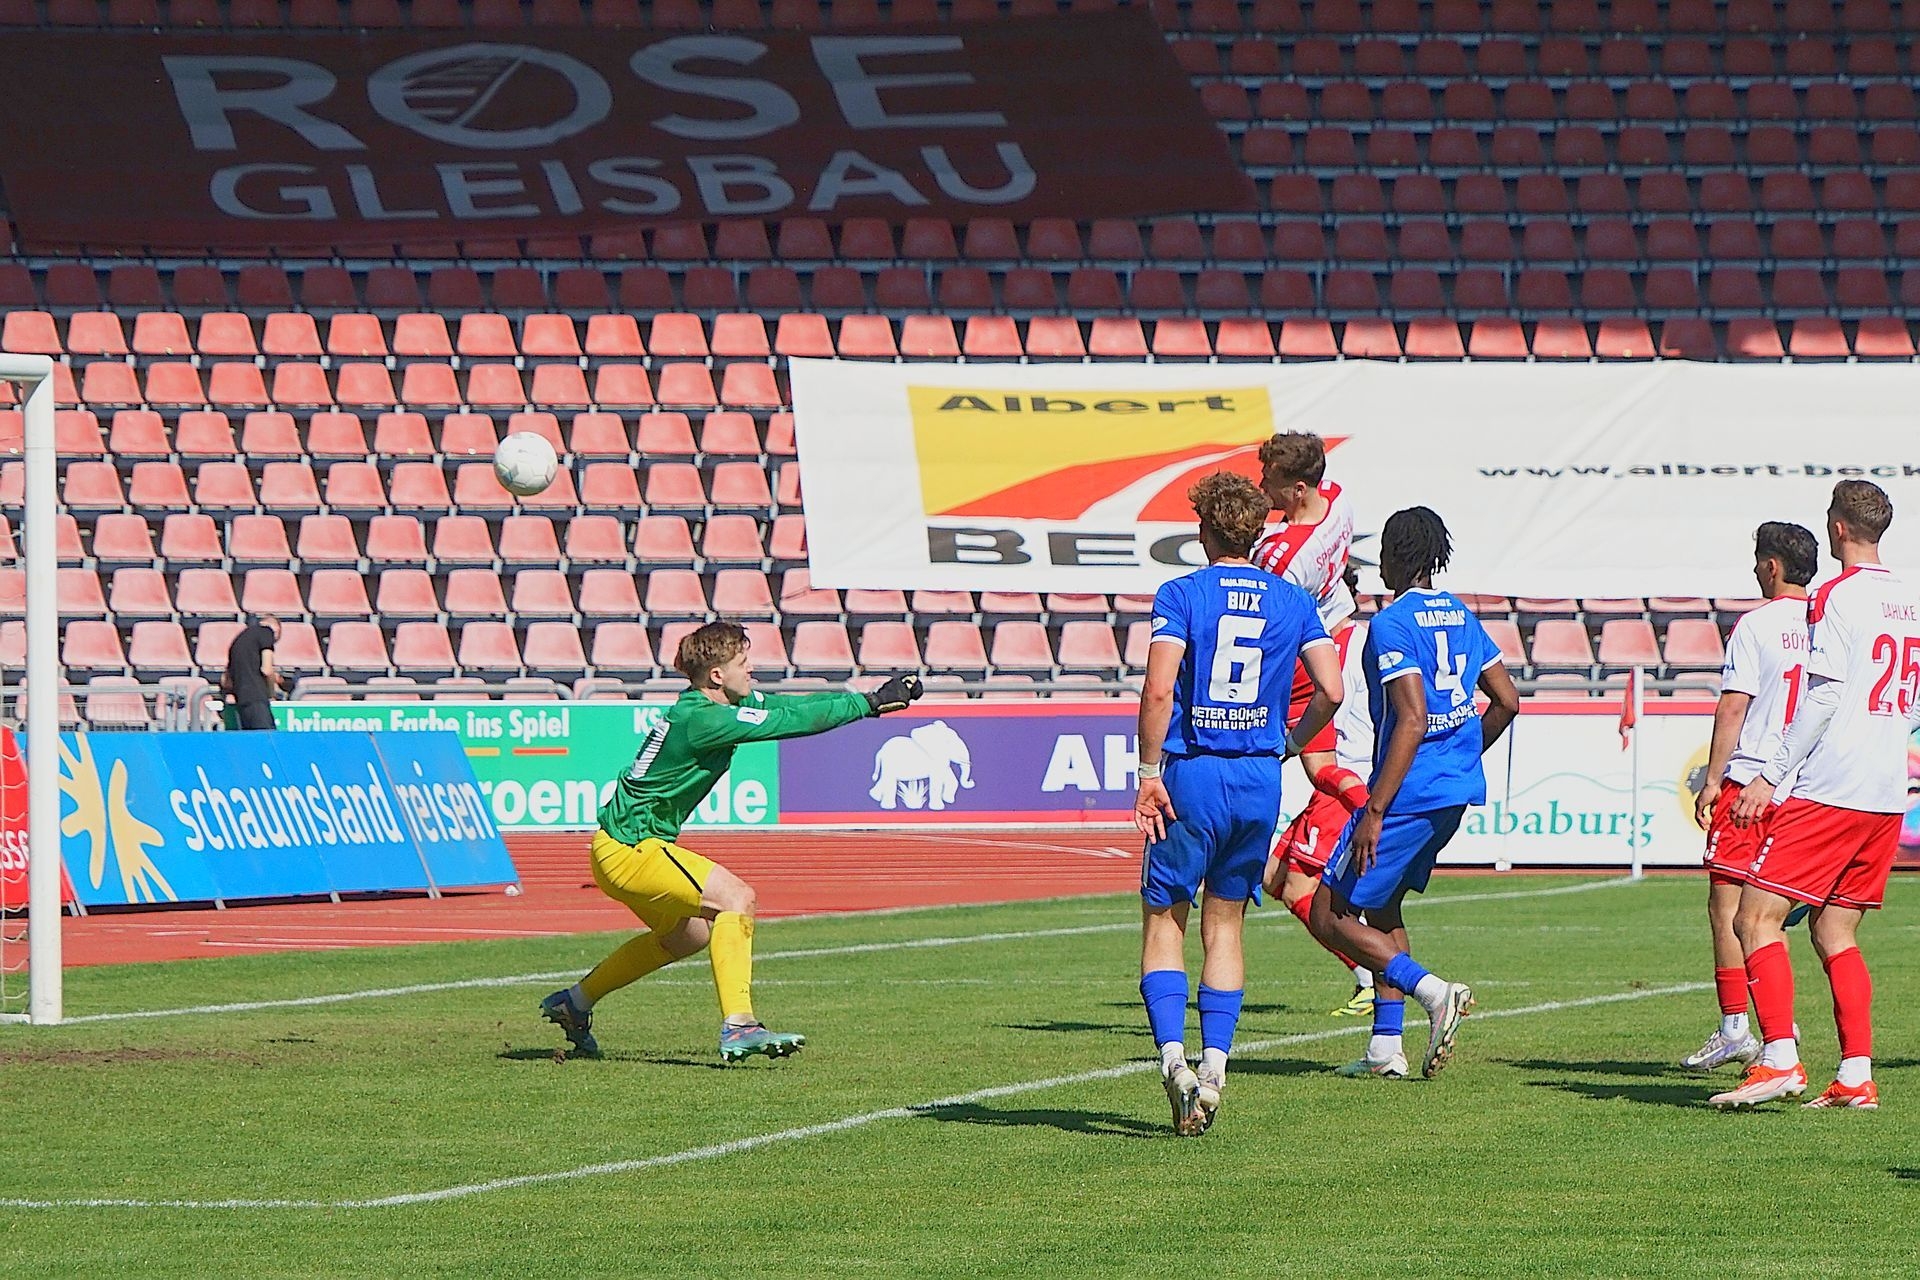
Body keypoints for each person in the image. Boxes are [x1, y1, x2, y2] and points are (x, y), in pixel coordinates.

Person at [541, 622, 924, 1063]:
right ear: (717, 675)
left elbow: (787, 706)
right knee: (736, 898)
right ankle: (740, 1024)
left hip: (620, 847)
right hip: (631, 850)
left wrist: (868, 702)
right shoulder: (704, 718)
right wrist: (867, 703)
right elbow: (789, 722)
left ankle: (576, 1001)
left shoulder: (713, 706)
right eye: (744, 663)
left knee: (688, 936)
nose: (752, 670)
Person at [1134, 472, 1342, 1136]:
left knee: (1165, 918)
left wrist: (1147, 773)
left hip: (1193, 772)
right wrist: (1293, 742)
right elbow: (1332, 690)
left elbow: (1159, 689)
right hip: (1258, 777)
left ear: (1203, 531)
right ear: (1256, 532)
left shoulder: (1181, 593)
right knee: (1226, 924)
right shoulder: (1293, 599)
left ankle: (1174, 1061)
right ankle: (1216, 1069)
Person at [1712, 481, 1920, 1110]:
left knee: (1753, 918)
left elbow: (1824, 695)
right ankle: (1856, 1073)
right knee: (1834, 929)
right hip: (1886, 792)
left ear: (1836, 528)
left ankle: (1779, 1058)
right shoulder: (1911, 597)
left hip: (1833, 785)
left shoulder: (1835, 594)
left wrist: (1769, 776)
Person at [1308, 506, 1519, 1080]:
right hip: (1452, 790)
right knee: (1382, 906)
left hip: (1408, 792)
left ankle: (1434, 992)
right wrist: (1461, 754)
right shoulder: (1460, 614)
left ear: (1396, 556)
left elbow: (1412, 717)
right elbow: (1507, 700)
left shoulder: (1392, 623)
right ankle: (1384, 1048)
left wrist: (1374, 809)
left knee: (1329, 913)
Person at [1683, 522, 1816, 1072]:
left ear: (1772, 565)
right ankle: (1785, 1025)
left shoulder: (1757, 624)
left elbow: (1734, 704)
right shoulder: (1827, 620)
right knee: (1775, 911)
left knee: (1728, 907)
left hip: (1753, 783)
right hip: (1806, 786)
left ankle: (1737, 1026)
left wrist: (1713, 780)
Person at [1251, 433, 1373, 1014]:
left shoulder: (1280, 557)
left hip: (1316, 666)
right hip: (1342, 636)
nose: (1262, 489)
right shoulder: (1339, 499)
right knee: (1276, 875)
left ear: (1297, 488)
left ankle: (1380, 972)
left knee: (1317, 767)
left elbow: (1262, 621)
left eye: (1271, 481)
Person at [1263, 564, 1378, 1015]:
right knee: (1271, 876)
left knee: (1298, 889)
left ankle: (1375, 974)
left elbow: (1327, 708)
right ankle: (1372, 970)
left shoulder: (1348, 647)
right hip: (1333, 781)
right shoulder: (1343, 642)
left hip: (1346, 779)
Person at [222, 614, 283, 730]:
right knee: (267, 736)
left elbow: (226, 680)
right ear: (277, 630)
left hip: (241, 699)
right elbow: (267, 669)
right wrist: (271, 693)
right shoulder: (266, 632)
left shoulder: (239, 639)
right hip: (257, 697)